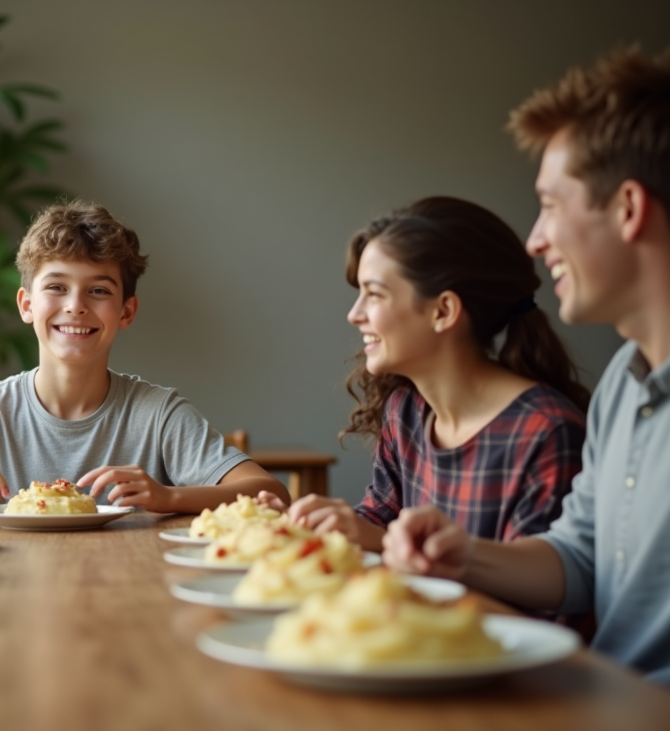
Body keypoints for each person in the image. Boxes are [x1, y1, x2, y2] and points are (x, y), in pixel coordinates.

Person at [382, 47, 670, 684]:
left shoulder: (551, 420)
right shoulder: (627, 380)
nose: (536, 239)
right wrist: (463, 555)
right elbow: (578, 561)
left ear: (627, 209)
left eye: (551, 205)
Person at [0, 200, 290, 513]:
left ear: (126, 312)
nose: (75, 306)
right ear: (26, 305)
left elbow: (270, 491)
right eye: (56, 287)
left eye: (99, 290)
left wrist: (168, 496)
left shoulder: (157, 414)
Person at [261, 197, 589, 555]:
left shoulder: (546, 434)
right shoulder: (405, 411)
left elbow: (535, 603)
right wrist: (304, 530)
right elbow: (374, 525)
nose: (354, 314)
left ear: (443, 310)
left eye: (374, 294)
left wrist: (379, 542)